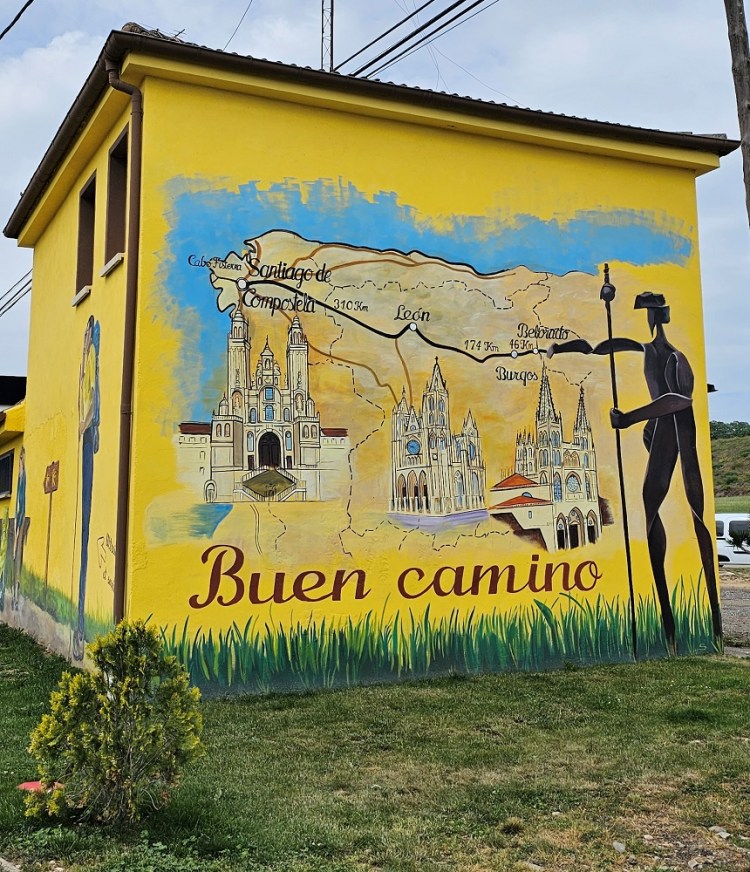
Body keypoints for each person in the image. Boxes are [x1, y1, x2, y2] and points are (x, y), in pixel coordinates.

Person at [548, 291, 722, 652]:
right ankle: (669, 628)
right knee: (651, 508)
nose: (649, 319)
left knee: (695, 514)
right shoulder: (646, 350)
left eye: (651, 313)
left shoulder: (675, 357)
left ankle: (714, 622)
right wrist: (561, 348)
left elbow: (680, 400)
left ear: (659, 316)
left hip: (680, 432)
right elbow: (600, 347)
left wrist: (630, 417)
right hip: (660, 432)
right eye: (648, 313)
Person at [72, 317, 100, 661]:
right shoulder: (86, 361)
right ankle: (79, 623)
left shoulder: (92, 358)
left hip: (88, 439)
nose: (83, 340)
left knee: (86, 525)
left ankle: (80, 624)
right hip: (86, 441)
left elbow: (92, 402)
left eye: (86, 335)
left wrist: (83, 424)